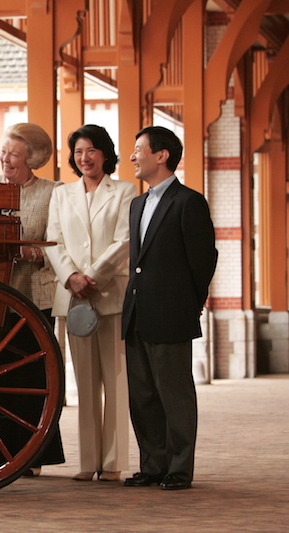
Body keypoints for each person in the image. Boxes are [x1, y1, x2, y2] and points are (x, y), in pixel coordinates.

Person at [122, 125, 217, 491]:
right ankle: (153, 466)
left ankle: (179, 469)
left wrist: (189, 305)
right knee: (142, 396)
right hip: (137, 314)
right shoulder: (137, 204)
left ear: (161, 156)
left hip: (171, 314)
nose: (133, 157)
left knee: (174, 395)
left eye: (138, 149)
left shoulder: (189, 202)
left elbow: (203, 260)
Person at [45, 124, 136, 482]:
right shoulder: (62, 194)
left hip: (111, 295)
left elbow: (125, 241)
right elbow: (53, 241)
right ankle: (87, 462)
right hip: (73, 298)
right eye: (79, 152)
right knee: (84, 383)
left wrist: (93, 276)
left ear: (105, 154)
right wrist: (71, 277)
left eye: (92, 151)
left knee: (115, 380)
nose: (85, 158)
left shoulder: (125, 191)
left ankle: (113, 462)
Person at [0, 122, 65, 475]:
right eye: (4, 151)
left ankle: (31, 457)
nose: (5, 159)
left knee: (33, 379)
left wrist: (34, 254)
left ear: (33, 160)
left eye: (14, 154)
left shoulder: (52, 192)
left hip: (33, 296)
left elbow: (57, 242)